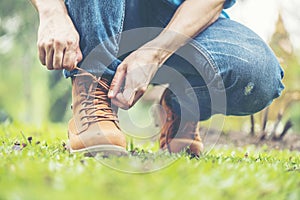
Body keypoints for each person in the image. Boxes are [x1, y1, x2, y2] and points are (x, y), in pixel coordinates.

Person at [30, 0, 284, 156]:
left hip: (180, 19)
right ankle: (93, 94)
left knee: (259, 74)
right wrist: (52, 11)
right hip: (101, 15)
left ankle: (183, 105)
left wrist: (155, 53)